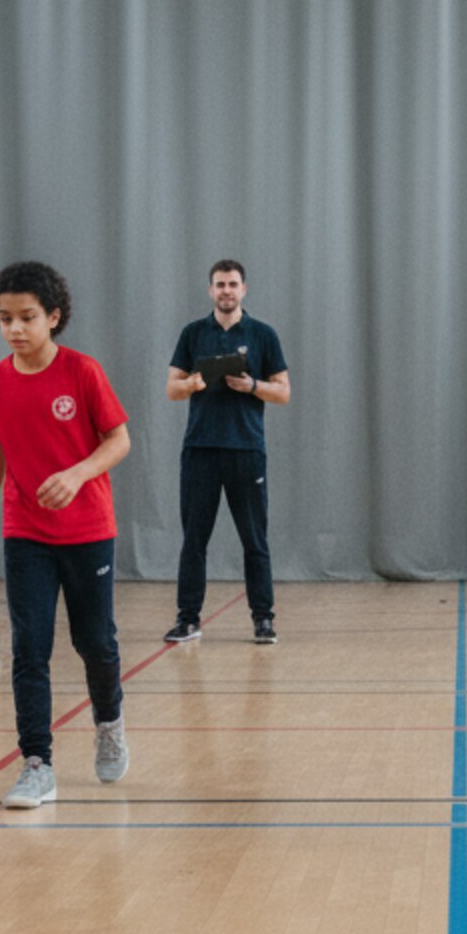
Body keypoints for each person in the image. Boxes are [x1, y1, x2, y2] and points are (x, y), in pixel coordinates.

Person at [0, 260, 132, 810]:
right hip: (26, 532)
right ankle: (36, 763)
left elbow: (119, 440)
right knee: (30, 648)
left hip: (88, 530)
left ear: (53, 317)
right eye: (5, 318)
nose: (15, 328)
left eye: (27, 317)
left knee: (95, 642)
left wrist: (78, 474)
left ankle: (109, 722)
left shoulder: (82, 371)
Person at [164, 259, 290, 645]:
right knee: (194, 540)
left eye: (233, 284)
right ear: (210, 290)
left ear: (243, 289)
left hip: (246, 449)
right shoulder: (193, 333)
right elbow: (171, 388)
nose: (226, 291)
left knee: (255, 540)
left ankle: (263, 620)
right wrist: (192, 384)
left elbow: (283, 391)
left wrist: (252, 386)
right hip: (200, 449)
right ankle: (188, 619)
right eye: (220, 285)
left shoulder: (263, 334)